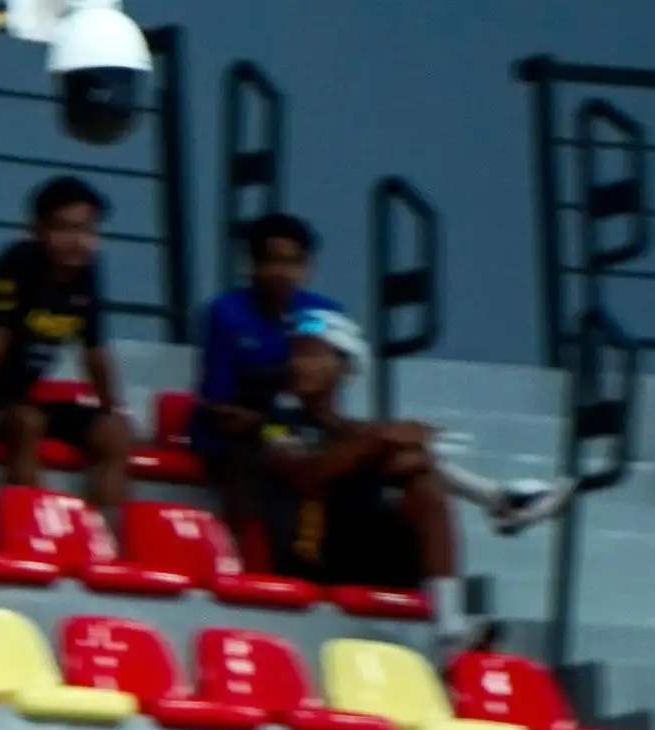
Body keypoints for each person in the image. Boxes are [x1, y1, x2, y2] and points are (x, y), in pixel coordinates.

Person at [198, 214, 565, 545]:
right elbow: (220, 408)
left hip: (305, 427)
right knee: (378, 442)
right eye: (271, 261)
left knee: (407, 457)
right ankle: (497, 497)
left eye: (293, 262)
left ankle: (495, 498)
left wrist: (335, 428)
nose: (282, 272)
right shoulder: (226, 313)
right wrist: (278, 423)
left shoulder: (321, 312)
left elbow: (329, 385)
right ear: (252, 265)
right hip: (249, 437)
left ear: (307, 268)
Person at [0, 174, 131, 514]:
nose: (79, 242)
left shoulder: (88, 271)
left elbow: (94, 351)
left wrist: (114, 409)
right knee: (27, 423)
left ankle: (98, 543)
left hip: (23, 399)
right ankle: (30, 532)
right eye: (65, 229)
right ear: (37, 230)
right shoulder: (17, 262)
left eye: (89, 231)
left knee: (115, 432)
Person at [244, 307, 458, 598]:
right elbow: (307, 473)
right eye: (296, 354)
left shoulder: (356, 432)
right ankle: (502, 502)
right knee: (406, 464)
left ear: (344, 367)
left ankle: (449, 614)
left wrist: (407, 448)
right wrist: (382, 437)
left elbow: (379, 454)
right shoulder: (274, 424)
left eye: (313, 355)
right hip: (312, 559)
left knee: (419, 477)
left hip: (365, 556)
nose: (299, 364)